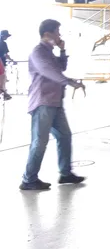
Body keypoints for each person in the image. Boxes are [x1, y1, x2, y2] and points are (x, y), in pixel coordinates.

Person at [20, 19, 86, 191]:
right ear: (47, 34)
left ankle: (65, 173)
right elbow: (49, 72)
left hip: (55, 102)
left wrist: (62, 50)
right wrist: (70, 82)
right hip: (43, 102)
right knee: (39, 142)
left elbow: (60, 67)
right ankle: (28, 180)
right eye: (57, 32)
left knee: (64, 136)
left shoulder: (49, 52)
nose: (59, 35)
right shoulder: (38, 52)